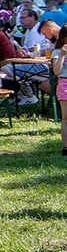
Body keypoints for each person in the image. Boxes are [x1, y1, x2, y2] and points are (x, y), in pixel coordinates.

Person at [50, 27, 67, 156]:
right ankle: (66, 146)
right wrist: (62, 54)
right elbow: (57, 71)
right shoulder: (57, 52)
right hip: (65, 84)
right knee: (66, 118)